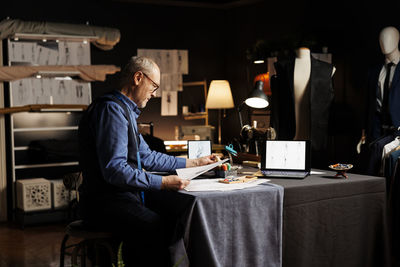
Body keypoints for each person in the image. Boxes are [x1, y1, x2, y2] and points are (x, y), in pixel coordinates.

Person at [77, 56, 217, 267]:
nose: (155, 93)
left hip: (117, 198)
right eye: (154, 86)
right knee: (157, 226)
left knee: (170, 219)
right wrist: (163, 182)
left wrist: (196, 163)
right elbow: (115, 170)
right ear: (138, 77)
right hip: (103, 203)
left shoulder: (124, 112)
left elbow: (148, 157)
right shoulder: (112, 111)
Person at [271, 46, 335, 168]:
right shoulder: (282, 67)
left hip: (317, 141)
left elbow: (330, 109)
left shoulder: (326, 69)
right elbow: (276, 108)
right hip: (288, 140)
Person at [361, 26, 400, 145]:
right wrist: (364, 133)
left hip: (397, 132)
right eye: (381, 39)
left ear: (397, 39)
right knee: (375, 162)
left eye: (388, 38)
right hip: (376, 131)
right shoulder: (374, 71)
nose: (384, 42)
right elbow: (368, 103)